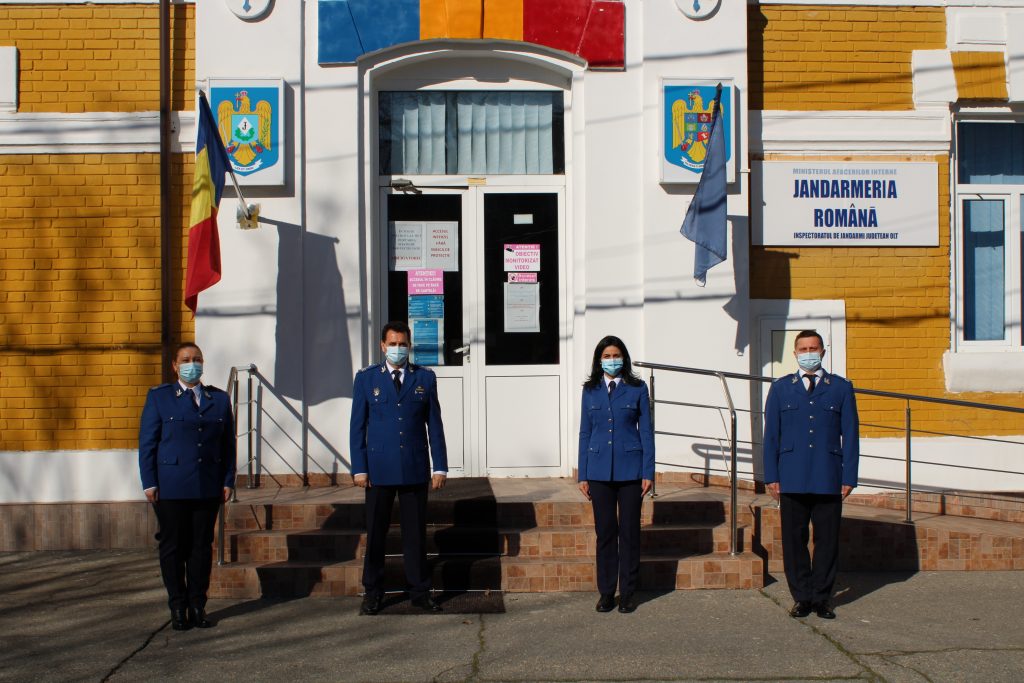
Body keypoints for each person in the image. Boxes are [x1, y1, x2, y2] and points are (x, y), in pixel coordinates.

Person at [350, 321, 448, 615]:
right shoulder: (367, 378)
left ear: (410, 346)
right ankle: (373, 593)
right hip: (378, 470)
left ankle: (420, 591)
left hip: (414, 467)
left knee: (415, 535)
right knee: (376, 535)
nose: (397, 349)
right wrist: (359, 468)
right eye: (392, 344)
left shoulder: (425, 378)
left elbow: (435, 425)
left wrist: (440, 466)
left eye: (402, 344)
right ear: (382, 346)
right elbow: (357, 426)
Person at [139, 342, 236, 631]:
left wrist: (227, 480)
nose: (192, 364)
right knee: (173, 547)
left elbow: (228, 445)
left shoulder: (219, 399)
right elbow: (148, 443)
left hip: (207, 485)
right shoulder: (160, 398)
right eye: (185, 360)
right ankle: (178, 607)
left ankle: (197, 605)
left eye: (197, 359)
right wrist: (149, 482)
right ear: (175, 365)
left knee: (201, 548)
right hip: (170, 487)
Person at [763, 330, 859, 620]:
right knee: (794, 541)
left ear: (823, 352)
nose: (808, 353)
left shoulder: (840, 388)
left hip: (828, 476)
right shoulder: (781, 388)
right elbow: (771, 436)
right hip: (791, 476)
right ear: (794, 354)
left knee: (827, 540)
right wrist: (771, 476)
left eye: (813, 348)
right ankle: (802, 598)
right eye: (803, 349)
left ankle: (822, 598)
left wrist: (849, 477)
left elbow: (851, 435)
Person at [577, 335, 655, 614]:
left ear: (624, 358)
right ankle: (607, 593)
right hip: (598, 472)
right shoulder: (590, 390)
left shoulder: (637, 388)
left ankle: (629, 592)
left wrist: (648, 471)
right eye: (607, 356)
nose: (612, 360)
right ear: (599, 360)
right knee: (606, 533)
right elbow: (585, 432)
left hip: (631, 471)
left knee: (630, 533)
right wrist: (583, 474)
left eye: (616, 355)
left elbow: (646, 432)